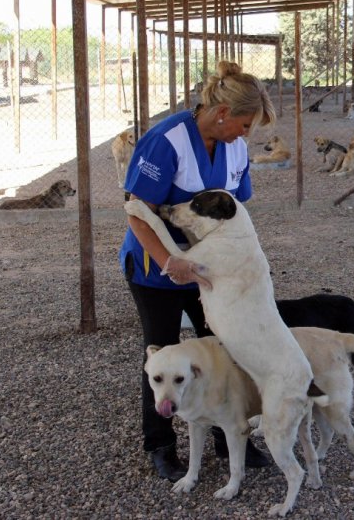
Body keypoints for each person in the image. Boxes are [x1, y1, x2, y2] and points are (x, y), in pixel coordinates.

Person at [119, 61, 276, 482]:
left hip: (209, 267)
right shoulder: (165, 140)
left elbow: (236, 207)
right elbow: (137, 214)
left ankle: (230, 437)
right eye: (244, 125)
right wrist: (172, 262)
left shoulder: (235, 146)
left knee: (223, 348)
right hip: (156, 268)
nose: (247, 134)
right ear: (223, 114)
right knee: (163, 350)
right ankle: (161, 444)